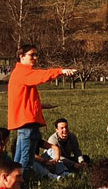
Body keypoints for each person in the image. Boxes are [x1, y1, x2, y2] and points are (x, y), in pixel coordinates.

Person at [7, 45, 76, 181]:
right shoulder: (23, 72)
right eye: (32, 55)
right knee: (25, 162)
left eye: (36, 55)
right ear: (21, 56)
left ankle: (11, 188)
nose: (35, 58)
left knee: (18, 161)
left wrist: (39, 106)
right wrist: (61, 71)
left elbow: (22, 99)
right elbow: (42, 76)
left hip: (23, 123)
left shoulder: (18, 73)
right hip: (27, 123)